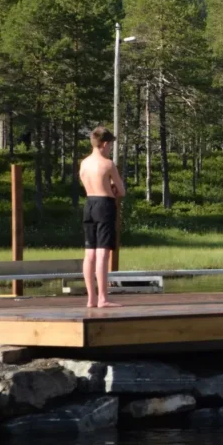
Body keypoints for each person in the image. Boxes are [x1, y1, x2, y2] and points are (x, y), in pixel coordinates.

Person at [79, 127, 126, 309]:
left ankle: (91, 298)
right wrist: (113, 186)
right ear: (105, 144)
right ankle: (103, 299)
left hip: (89, 204)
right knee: (102, 253)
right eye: (110, 146)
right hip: (104, 205)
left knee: (89, 252)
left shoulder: (84, 163)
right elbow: (121, 190)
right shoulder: (108, 164)